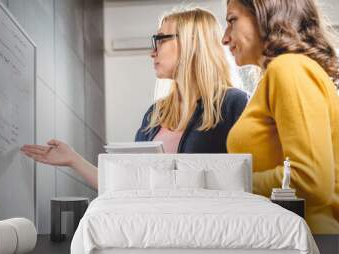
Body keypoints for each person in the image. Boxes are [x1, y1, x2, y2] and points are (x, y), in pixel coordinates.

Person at [21, 7, 248, 191]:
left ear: (192, 42)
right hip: (151, 232)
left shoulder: (234, 104)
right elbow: (128, 184)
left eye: (160, 39)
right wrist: (73, 159)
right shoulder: (155, 114)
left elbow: (250, 183)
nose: (152, 51)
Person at [223, 0, 339, 233]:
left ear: (265, 14)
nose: (224, 38)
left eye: (232, 20)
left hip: (309, 244)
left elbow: (310, 180)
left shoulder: (289, 68)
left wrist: (229, 184)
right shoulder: (278, 74)